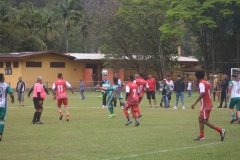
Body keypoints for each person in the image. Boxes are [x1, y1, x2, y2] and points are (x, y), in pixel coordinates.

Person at [191, 71, 226, 141]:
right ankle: (201, 136)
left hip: (205, 105)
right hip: (208, 104)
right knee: (200, 119)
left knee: (204, 121)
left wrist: (195, 102)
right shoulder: (206, 82)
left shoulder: (201, 83)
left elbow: (203, 93)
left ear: (197, 77)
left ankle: (221, 130)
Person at [0, 73, 14, 141]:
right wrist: (13, 99)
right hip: (3, 105)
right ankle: (0, 134)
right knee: (2, 120)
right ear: (3, 78)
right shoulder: (6, 85)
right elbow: (11, 94)